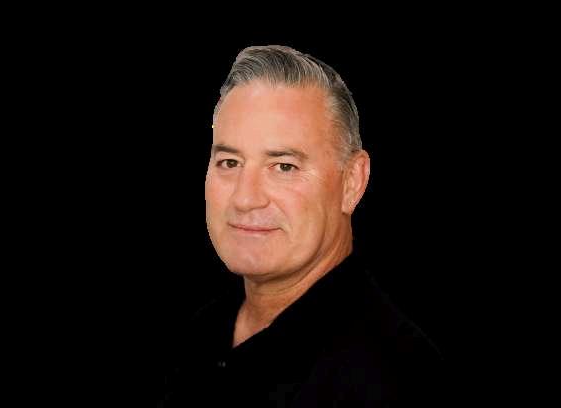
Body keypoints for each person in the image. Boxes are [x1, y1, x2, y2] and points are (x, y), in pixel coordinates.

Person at [159, 45, 444, 407]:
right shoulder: (197, 334)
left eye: (284, 167)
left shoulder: (399, 383)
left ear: (352, 182)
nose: (245, 198)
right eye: (230, 162)